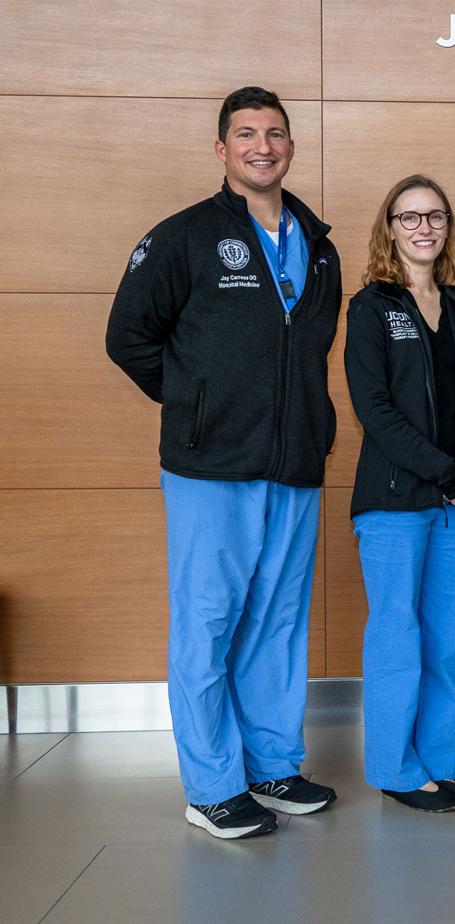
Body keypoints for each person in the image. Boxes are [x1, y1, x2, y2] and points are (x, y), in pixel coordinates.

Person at [104, 86, 341, 839]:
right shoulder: (184, 237)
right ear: (221, 150)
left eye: (274, 133)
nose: (261, 145)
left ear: (291, 147)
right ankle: (211, 785)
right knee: (207, 623)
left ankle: (270, 767)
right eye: (245, 134)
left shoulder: (320, 244)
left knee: (276, 623)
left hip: (294, 464)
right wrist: (194, 407)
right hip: (210, 470)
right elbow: (128, 335)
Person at [344, 174, 455, 813]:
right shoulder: (371, 307)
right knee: (397, 636)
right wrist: (446, 470)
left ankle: (436, 761)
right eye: (409, 218)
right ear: (390, 229)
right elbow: (374, 409)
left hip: (454, 504)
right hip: (394, 501)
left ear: (447, 227)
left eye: (435, 216)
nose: (423, 228)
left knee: (440, 638)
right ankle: (394, 770)